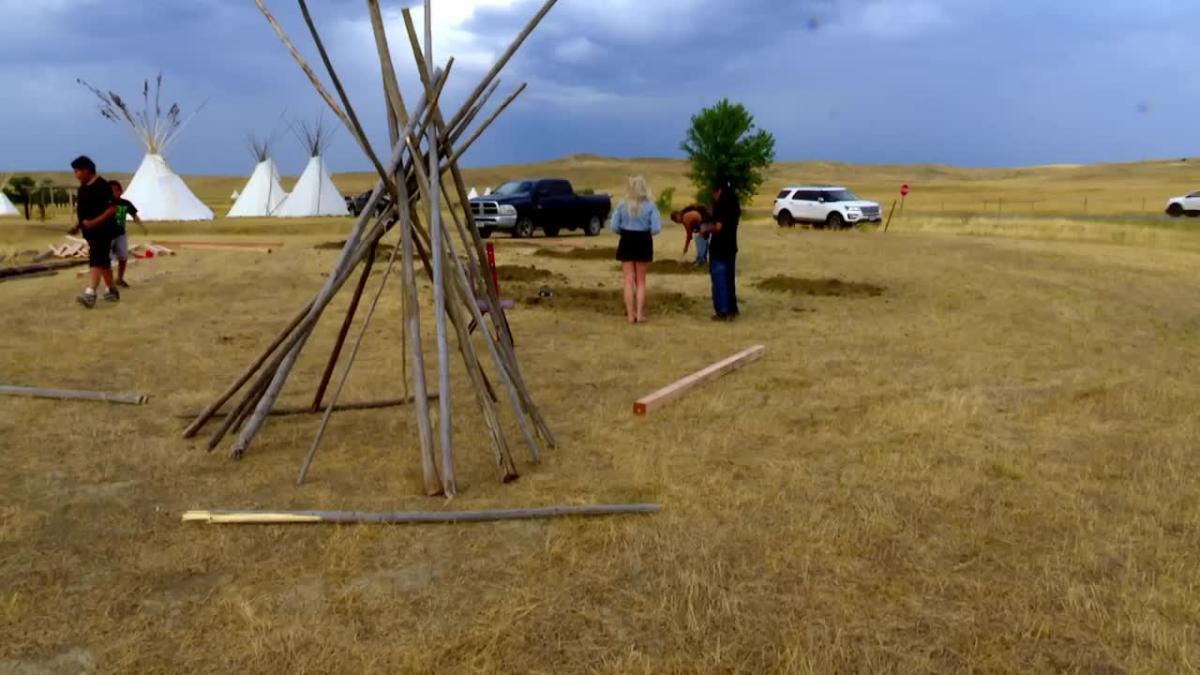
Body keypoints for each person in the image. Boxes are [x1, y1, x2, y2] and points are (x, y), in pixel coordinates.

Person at [610, 175, 662, 324]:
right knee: (641, 281)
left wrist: (624, 231)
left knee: (628, 280)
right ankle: (639, 314)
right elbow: (656, 228)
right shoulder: (650, 206)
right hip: (643, 240)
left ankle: (630, 315)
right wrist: (646, 232)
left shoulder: (622, 205)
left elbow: (613, 226)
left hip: (626, 239)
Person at [68, 156, 118, 308]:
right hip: (90, 232)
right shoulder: (83, 188)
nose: (75, 174)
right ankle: (113, 291)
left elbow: (112, 209)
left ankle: (90, 293)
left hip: (103, 231)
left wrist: (94, 222)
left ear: (86, 170)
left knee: (96, 260)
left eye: (77, 171)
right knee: (103, 262)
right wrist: (77, 226)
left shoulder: (102, 185)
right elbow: (83, 212)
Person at [703, 178, 741, 321]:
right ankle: (732, 309)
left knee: (719, 279)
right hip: (731, 246)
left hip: (719, 247)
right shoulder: (735, 205)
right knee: (729, 279)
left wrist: (705, 229)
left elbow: (719, 226)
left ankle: (723, 311)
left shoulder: (721, 205)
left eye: (714, 193)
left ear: (718, 191)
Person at [108, 180, 141, 288]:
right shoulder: (104, 204)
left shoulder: (125, 203)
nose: (113, 193)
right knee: (107, 260)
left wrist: (140, 224)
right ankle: (109, 283)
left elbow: (134, 214)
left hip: (120, 234)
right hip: (107, 235)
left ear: (120, 191)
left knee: (123, 257)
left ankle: (120, 278)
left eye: (115, 191)